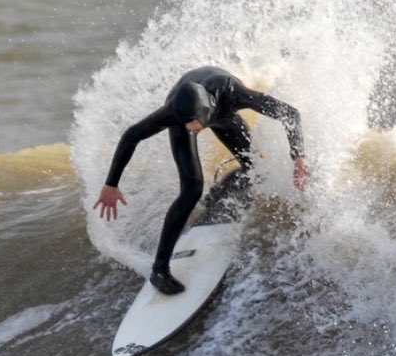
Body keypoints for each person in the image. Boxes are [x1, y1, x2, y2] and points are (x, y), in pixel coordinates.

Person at [93, 66, 310, 295]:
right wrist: (111, 184)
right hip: (187, 103)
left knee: (255, 167)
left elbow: (290, 113)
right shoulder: (177, 114)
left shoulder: (233, 94)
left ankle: (217, 195)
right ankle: (160, 270)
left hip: (218, 107)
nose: (189, 128)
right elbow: (131, 135)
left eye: (192, 123)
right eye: (187, 123)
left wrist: (299, 159)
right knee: (191, 190)